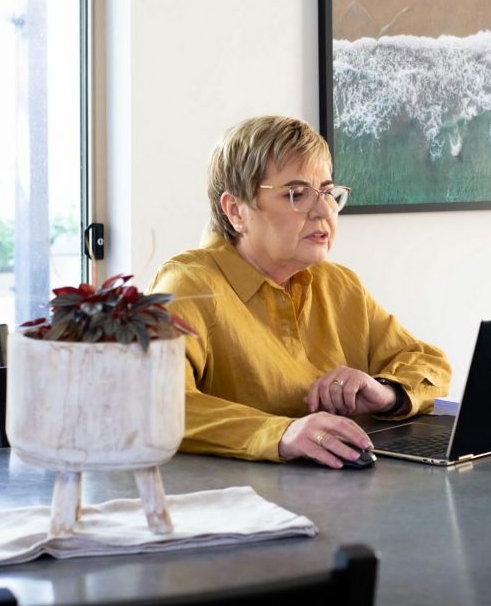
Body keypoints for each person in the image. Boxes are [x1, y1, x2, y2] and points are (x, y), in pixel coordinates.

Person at [149, 115, 451, 468]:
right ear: (235, 211)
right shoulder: (188, 287)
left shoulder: (339, 283)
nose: (324, 210)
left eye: (326, 191)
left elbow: (430, 361)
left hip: (344, 490)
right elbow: (158, 404)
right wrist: (281, 433)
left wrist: (384, 390)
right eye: (296, 194)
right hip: (241, 503)